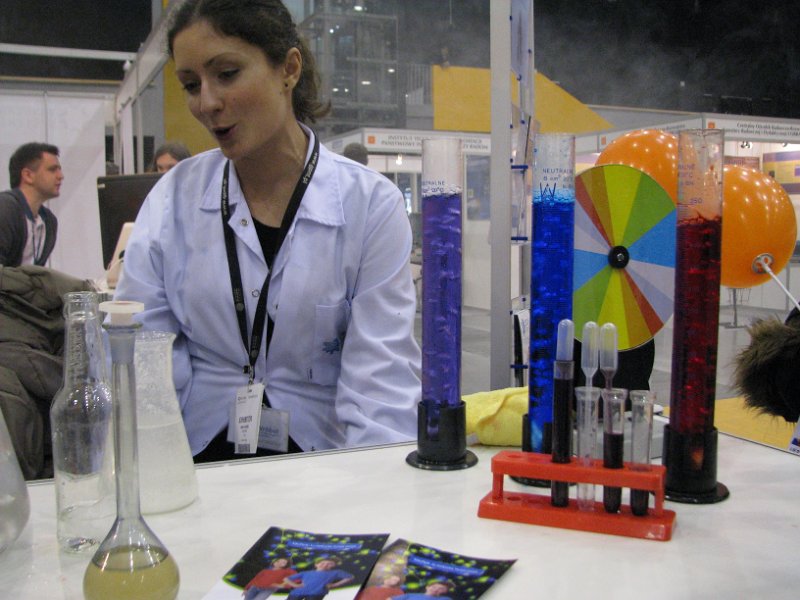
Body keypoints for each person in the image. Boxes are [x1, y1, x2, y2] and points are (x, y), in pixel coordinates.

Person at [114, 0, 420, 461]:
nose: (207, 103)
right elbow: (145, 361)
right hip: (195, 457)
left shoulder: (370, 206)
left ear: (288, 69)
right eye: (192, 85)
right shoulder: (173, 199)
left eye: (227, 73)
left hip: (323, 459)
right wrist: (158, 474)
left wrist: (368, 489)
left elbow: (381, 385)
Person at [0, 142, 62, 267]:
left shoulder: (49, 221)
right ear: (28, 175)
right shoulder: (5, 209)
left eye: (59, 170)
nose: (61, 176)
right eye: (52, 170)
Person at [282, 557, 354, 600]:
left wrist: (335, 585)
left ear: (333, 566)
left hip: (317, 593)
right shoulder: (306, 572)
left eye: (330, 564)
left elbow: (350, 577)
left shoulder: (335, 572)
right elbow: (286, 579)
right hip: (297, 592)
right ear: (316, 564)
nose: (325, 565)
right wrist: (295, 585)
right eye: (322, 563)